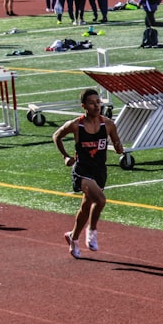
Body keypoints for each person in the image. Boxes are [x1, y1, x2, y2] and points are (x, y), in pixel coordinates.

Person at [52, 89, 124, 259]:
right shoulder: (76, 125)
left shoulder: (108, 124)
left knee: (86, 207)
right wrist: (66, 156)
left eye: (98, 102)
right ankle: (92, 230)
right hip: (82, 170)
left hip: (99, 170)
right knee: (100, 200)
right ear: (84, 106)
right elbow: (56, 136)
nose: (96, 105)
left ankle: (73, 237)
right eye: (92, 102)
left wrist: (119, 148)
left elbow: (116, 141)